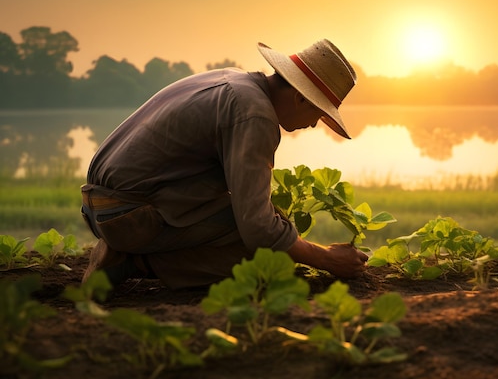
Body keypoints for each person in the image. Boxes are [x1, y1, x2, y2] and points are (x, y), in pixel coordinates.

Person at [80, 39, 369, 290]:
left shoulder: (235, 82)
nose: (314, 124)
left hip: (104, 206)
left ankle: (131, 255)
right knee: (272, 257)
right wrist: (326, 258)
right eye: (319, 114)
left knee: (276, 230)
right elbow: (258, 227)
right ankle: (133, 261)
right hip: (128, 216)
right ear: (299, 98)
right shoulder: (255, 115)